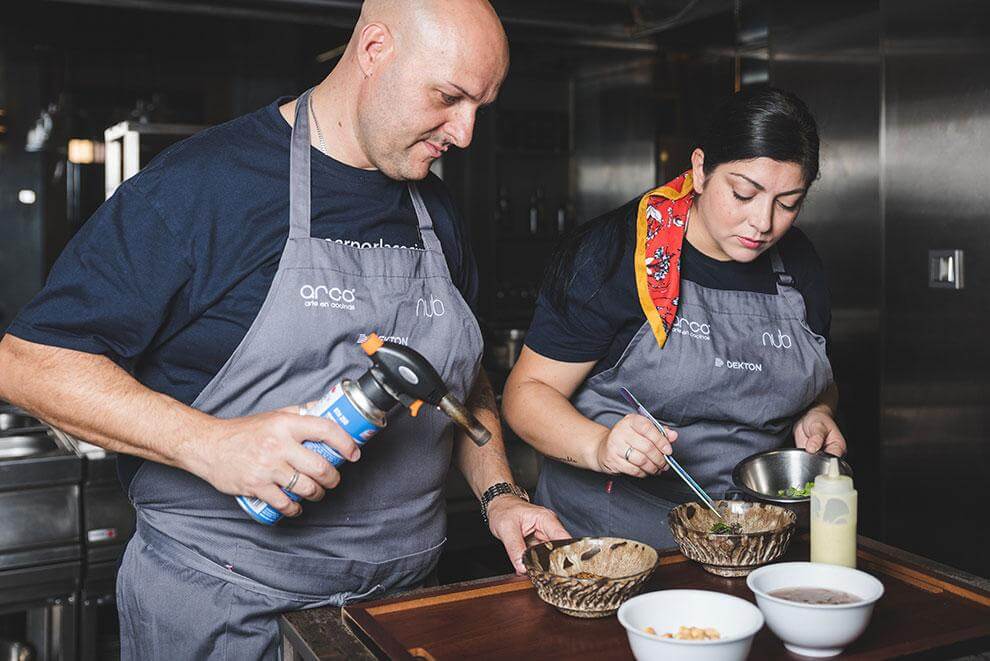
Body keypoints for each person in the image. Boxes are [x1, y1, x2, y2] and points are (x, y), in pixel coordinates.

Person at [0, 1, 568, 658]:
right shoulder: (203, 186)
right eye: (448, 97)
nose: (465, 132)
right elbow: (28, 359)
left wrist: (500, 494)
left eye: (481, 105)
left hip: (399, 611)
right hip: (228, 612)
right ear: (375, 48)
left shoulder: (437, 211)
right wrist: (209, 444)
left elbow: (462, 382)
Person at [502, 87, 845, 549]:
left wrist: (818, 412)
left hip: (752, 541)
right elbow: (525, 396)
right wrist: (599, 445)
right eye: (744, 193)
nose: (763, 223)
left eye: (788, 203)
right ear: (701, 169)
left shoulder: (799, 262)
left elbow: (816, 378)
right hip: (613, 548)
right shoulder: (617, 256)